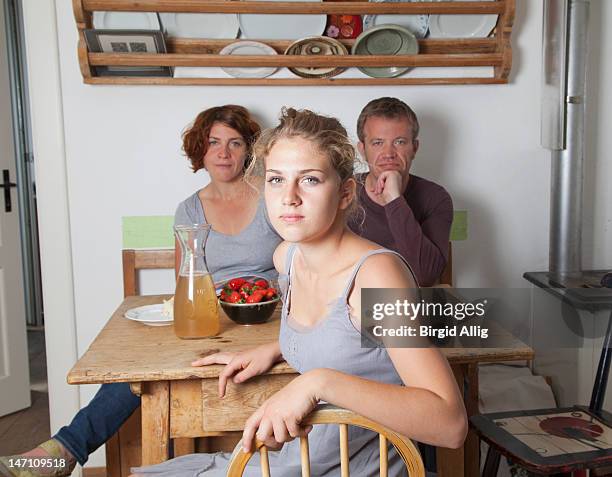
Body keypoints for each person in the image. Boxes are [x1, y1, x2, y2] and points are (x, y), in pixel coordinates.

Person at [130, 108, 467, 477]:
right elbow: (349, 339)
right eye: (276, 180)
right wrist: (275, 348)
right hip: (301, 461)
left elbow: (449, 425)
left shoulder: (375, 277)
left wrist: (317, 381)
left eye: (309, 179)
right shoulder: (288, 258)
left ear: (344, 193)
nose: (288, 197)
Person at [0, 105, 282, 477]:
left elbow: (299, 261)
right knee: (137, 375)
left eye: (234, 143)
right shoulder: (189, 210)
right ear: (201, 149)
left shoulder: (272, 197)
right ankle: (63, 451)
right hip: (213, 323)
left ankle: (64, 451)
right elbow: (185, 280)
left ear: (249, 150)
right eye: (214, 142)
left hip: (270, 319)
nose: (224, 153)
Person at [350, 97, 454, 287]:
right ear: (363, 150)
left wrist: (394, 200)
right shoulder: (343, 192)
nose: (388, 153)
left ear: (414, 148)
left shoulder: (436, 198)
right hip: (349, 304)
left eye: (399, 142)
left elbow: (425, 275)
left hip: (408, 304)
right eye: (378, 143)